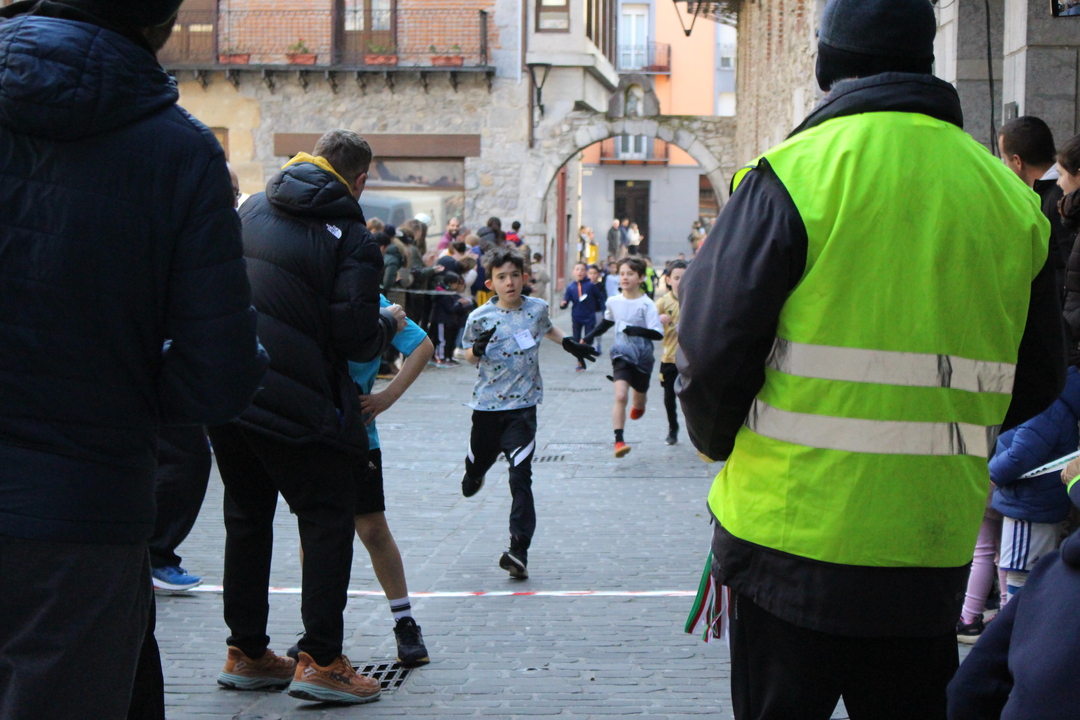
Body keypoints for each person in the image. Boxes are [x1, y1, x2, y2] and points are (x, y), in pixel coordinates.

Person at [676, 0, 1066, 717]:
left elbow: (709, 349)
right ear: (925, 61)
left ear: (827, 64)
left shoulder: (791, 175)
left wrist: (718, 441)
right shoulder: (1013, 204)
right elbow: (1039, 376)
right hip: (929, 544)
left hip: (787, 534)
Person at [0, 3, 269, 719]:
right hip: (77, 513)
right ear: (161, 24)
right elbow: (220, 375)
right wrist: (126, 395)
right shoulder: (178, 151)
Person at [209, 130, 403, 706]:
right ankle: (321, 660)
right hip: (299, 399)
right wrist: (386, 325)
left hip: (233, 388)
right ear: (359, 180)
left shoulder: (251, 209)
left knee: (247, 517)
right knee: (326, 519)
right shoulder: (354, 237)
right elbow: (355, 336)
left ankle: (246, 652)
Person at [460, 247, 598, 579]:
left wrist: (569, 344)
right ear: (491, 283)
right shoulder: (479, 316)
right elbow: (466, 355)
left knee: (520, 477)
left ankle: (518, 550)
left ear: (524, 277)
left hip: (523, 410)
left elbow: (547, 328)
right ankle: (476, 471)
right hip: (487, 408)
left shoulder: (536, 308)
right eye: (501, 277)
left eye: (514, 276)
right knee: (479, 460)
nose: (509, 282)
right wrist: (476, 350)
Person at [946, 473, 1080, 719]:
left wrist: (994, 473)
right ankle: (976, 617)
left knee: (1011, 569)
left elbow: (968, 687)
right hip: (1019, 500)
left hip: (1027, 504)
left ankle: (977, 617)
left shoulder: (1050, 572)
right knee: (1001, 563)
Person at [348, 295, 435, 668]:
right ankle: (317, 627)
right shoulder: (306, 288)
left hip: (359, 435)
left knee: (372, 528)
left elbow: (422, 345)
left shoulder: (371, 299)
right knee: (316, 528)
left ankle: (405, 622)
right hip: (312, 431)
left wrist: (387, 396)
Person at [988, 365, 1079, 602]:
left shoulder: (1048, 405)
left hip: (1029, 504)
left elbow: (1022, 455)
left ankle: (1014, 625)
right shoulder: (1054, 401)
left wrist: (989, 474)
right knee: (1018, 572)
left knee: (1021, 576)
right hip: (1031, 502)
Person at [583, 257, 664, 458]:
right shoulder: (613, 301)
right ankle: (619, 441)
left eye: (630, 274)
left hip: (643, 357)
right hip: (620, 354)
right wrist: (588, 337)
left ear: (641, 278)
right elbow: (607, 322)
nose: (625, 278)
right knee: (620, 396)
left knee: (639, 397)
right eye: (622, 274)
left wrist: (636, 330)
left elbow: (658, 334)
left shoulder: (647, 304)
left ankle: (640, 405)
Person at [999, 117, 1072, 294]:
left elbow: (1068, 266)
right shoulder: (1048, 193)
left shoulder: (1056, 199)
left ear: (1018, 161)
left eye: (1005, 160)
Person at [655, 260, 687, 446]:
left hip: (691, 359)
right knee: (669, 397)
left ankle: (698, 431)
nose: (680, 281)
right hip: (670, 358)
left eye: (684, 277)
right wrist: (657, 319)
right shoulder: (662, 303)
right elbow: (649, 325)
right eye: (676, 278)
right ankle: (672, 428)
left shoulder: (695, 299)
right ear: (668, 280)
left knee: (694, 398)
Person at [560, 262, 602, 371]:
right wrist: (563, 304)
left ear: (585, 273)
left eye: (582, 270)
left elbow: (600, 297)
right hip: (576, 317)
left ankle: (586, 352)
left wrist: (601, 309)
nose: (579, 272)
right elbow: (566, 300)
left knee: (587, 339)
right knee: (576, 340)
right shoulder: (571, 287)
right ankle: (579, 361)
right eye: (577, 269)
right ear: (573, 272)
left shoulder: (591, 286)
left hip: (589, 317)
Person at [429, 271, 472, 366]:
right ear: (450, 283)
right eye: (456, 283)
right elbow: (450, 308)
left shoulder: (452, 294)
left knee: (450, 340)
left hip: (451, 321)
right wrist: (460, 304)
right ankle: (441, 357)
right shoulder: (442, 294)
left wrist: (464, 304)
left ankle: (449, 356)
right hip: (441, 320)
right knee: (442, 340)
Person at [586, 264, 608, 354]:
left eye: (595, 273)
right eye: (590, 273)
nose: (593, 276)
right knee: (588, 329)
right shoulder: (585, 285)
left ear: (598, 274)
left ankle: (598, 345)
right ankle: (588, 346)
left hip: (597, 310)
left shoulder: (601, 286)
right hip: (587, 311)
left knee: (597, 329)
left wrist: (604, 310)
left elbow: (604, 298)